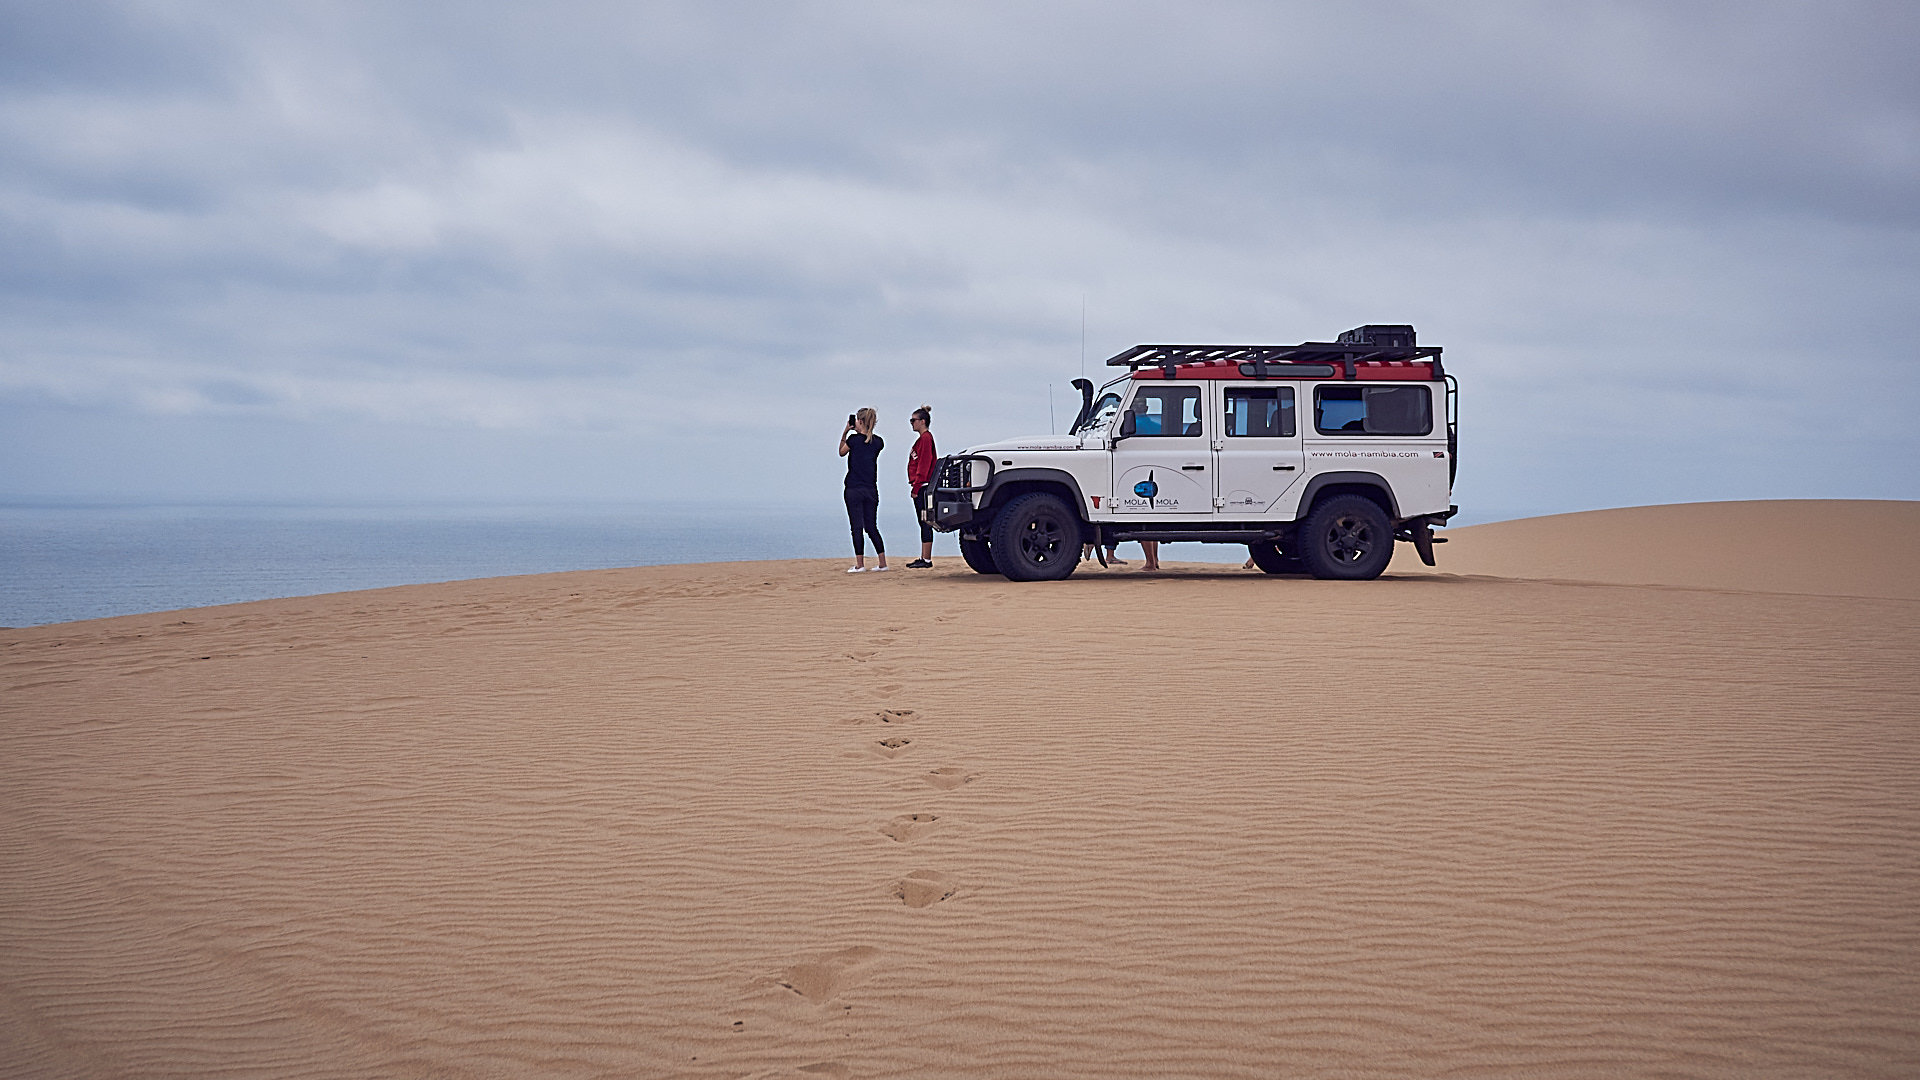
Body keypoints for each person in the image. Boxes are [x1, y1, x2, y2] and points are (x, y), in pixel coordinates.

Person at [839, 408, 888, 572]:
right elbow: (869, 441)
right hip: (871, 489)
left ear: (859, 421)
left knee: (856, 527)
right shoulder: (878, 442)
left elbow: (841, 452)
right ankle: (882, 563)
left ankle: (860, 565)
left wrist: (846, 431)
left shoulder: (853, 440)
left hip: (854, 488)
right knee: (871, 526)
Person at [905, 405, 937, 568]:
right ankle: (924, 557)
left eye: (913, 420)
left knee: (924, 522)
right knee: (922, 521)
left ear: (922, 421)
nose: (911, 423)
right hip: (921, 485)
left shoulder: (925, 439)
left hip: (923, 486)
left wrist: (917, 488)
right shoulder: (922, 439)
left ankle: (926, 559)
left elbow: (924, 465)